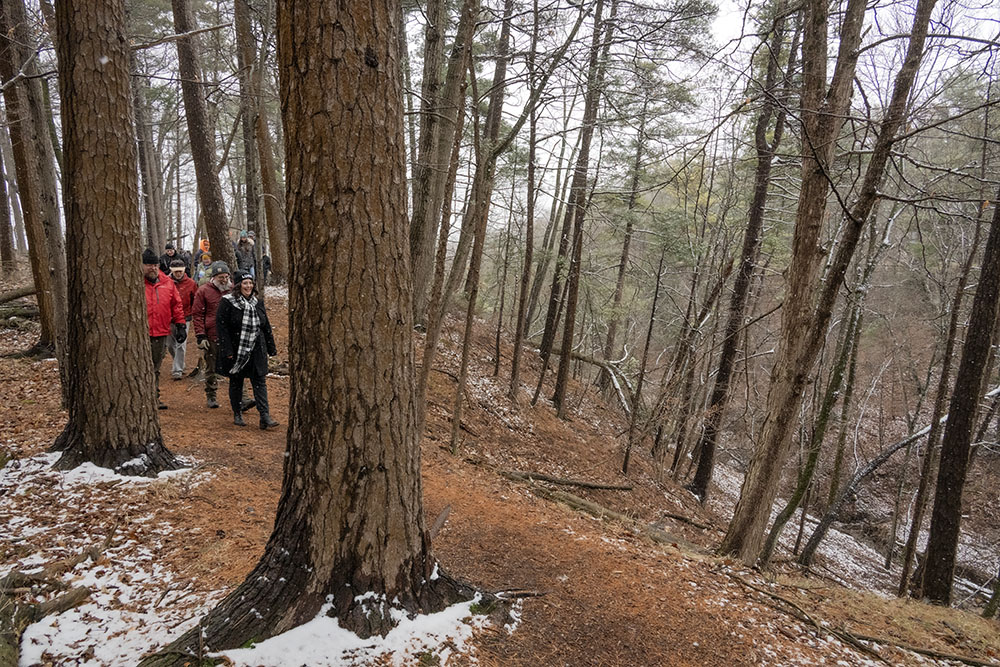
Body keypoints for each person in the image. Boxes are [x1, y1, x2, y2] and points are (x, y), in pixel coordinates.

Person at [216, 270, 278, 428]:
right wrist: (227, 351)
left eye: (250, 283)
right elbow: (222, 328)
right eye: (245, 283)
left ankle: (265, 415)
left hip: (257, 347)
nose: (248, 286)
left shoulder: (258, 303)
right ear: (238, 285)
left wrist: (271, 347)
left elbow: (266, 326)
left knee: (260, 381)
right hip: (237, 349)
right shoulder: (227, 302)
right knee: (236, 381)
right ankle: (237, 413)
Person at [143, 248, 185, 409]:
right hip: (140, 334)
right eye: (148, 264)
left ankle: (154, 397)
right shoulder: (135, 282)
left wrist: (180, 325)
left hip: (161, 332)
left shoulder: (167, 282)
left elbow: (176, 305)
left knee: (155, 367)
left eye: (155, 264)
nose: (152, 268)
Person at [192, 261, 232, 409]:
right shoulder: (203, 291)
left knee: (236, 366)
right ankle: (211, 394)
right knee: (211, 366)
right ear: (214, 277)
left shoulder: (232, 290)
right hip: (211, 334)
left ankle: (242, 397)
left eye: (226, 276)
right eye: (220, 276)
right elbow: (197, 314)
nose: (224, 279)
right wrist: (200, 335)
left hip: (230, 336)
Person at [167, 259, 198, 380]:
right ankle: (180, 362)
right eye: (176, 271)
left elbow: (195, 300)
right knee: (170, 344)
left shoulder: (191, 283)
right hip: (169, 317)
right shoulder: (166, 282)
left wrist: (194, 314)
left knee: (181, 344)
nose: (178, 273)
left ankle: (177, 370)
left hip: (185, 317)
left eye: (180, 271)